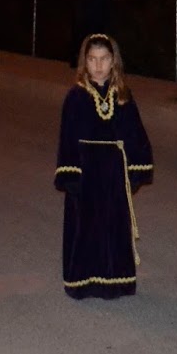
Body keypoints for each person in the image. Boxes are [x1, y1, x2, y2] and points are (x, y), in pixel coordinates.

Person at [55, 33, 154, 299]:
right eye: (92, 59)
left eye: (104, 59)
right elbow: (67, 137)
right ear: (84, 62)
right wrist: (70, 174)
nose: (98, 65)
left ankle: (115, 281)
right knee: (86, 226)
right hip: (86, 172)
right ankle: (84, 282)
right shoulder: (76, 97)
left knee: (114, 225)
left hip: (114, 172)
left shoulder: (122, 96)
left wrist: (137, 168)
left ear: (113, 61)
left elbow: (135, 133)